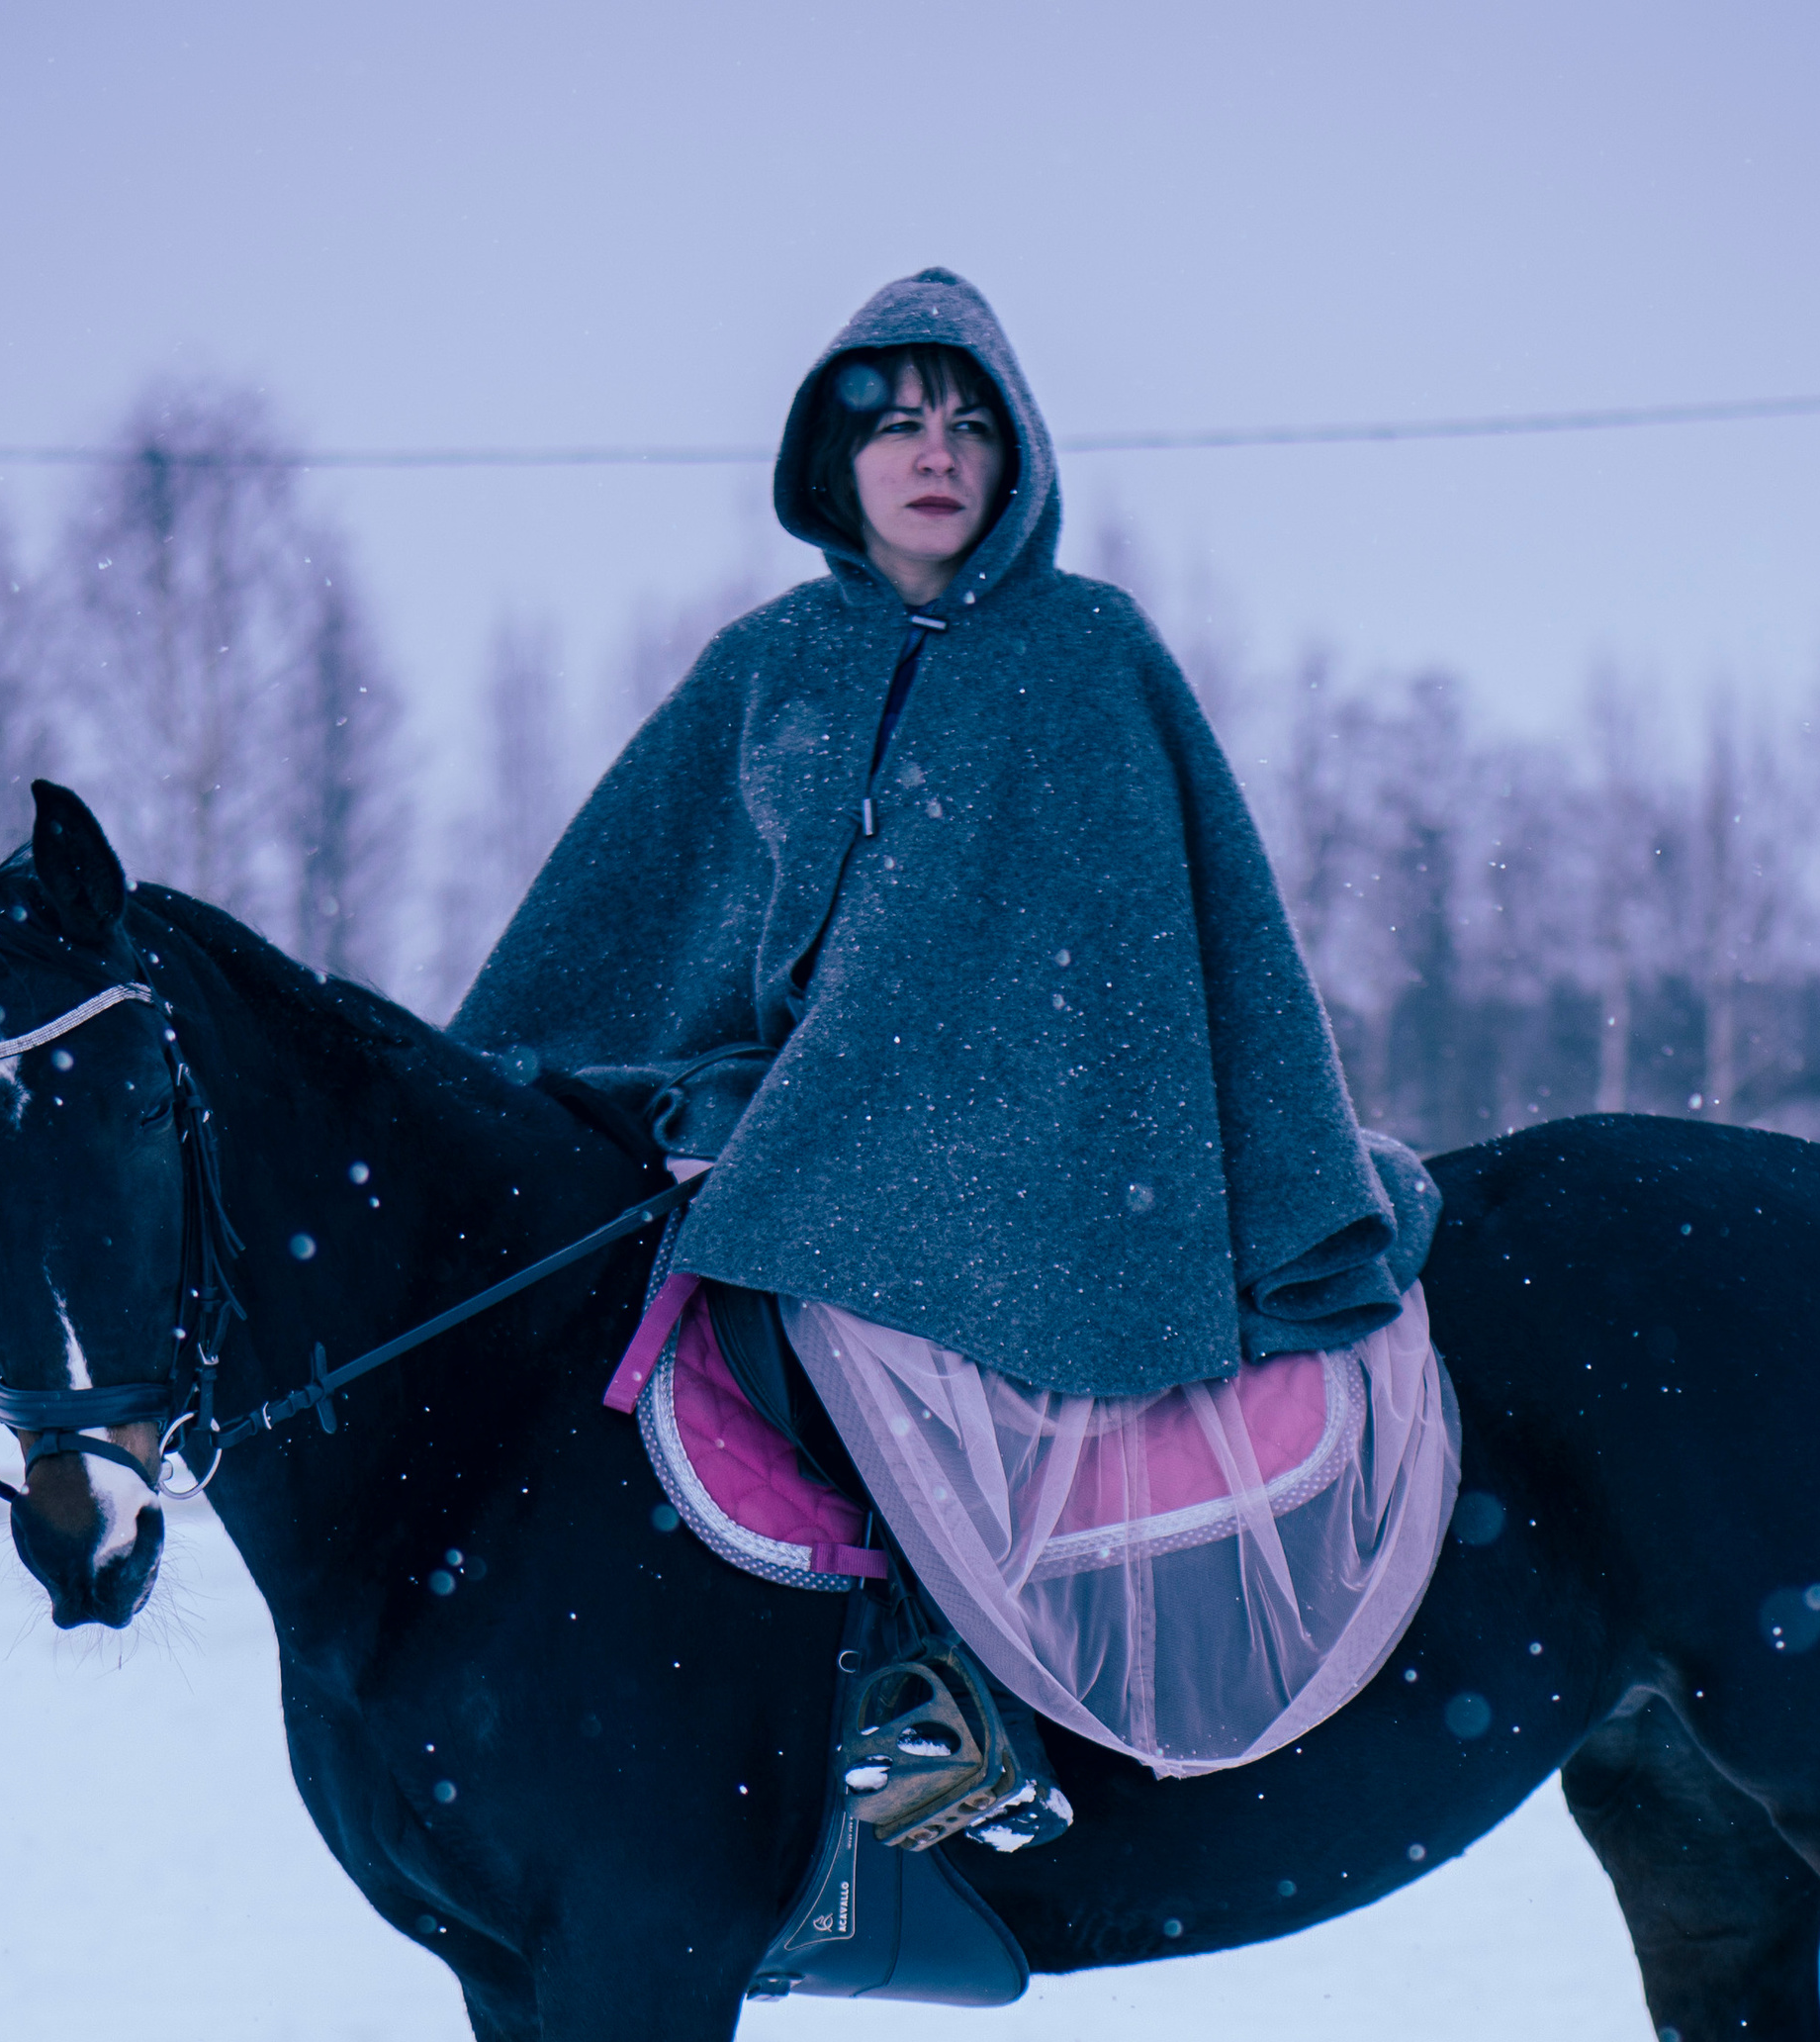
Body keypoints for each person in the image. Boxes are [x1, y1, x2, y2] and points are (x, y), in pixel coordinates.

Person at [455, 270, 1454, 1807]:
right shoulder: (768, 668)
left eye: (971, 423)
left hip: (1065, 1147)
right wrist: (609, 1087)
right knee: (665, 1299)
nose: (936, 451)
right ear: (832, 461)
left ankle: (959, 1705)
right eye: (900, 423)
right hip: (820, 1133)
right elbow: (648, 913)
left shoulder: (1086, 652)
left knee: (821, 1271)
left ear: (1017, 460)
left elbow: (1202, 937)